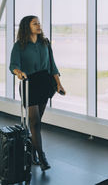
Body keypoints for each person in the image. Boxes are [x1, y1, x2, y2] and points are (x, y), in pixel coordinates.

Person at [9, 15, 66, 171]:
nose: (39, 25)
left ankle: (32, 153)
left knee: (37, 123)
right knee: (34, 122)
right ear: (27, 27)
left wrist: (59, 84)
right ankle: (41, 156)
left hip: (45, 84)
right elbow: (13, 64)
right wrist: (18, 72)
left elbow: (53, 66)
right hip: (30, 84)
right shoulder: (19, 45)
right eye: (35, 23)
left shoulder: (45, 44)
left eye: (39, 23)